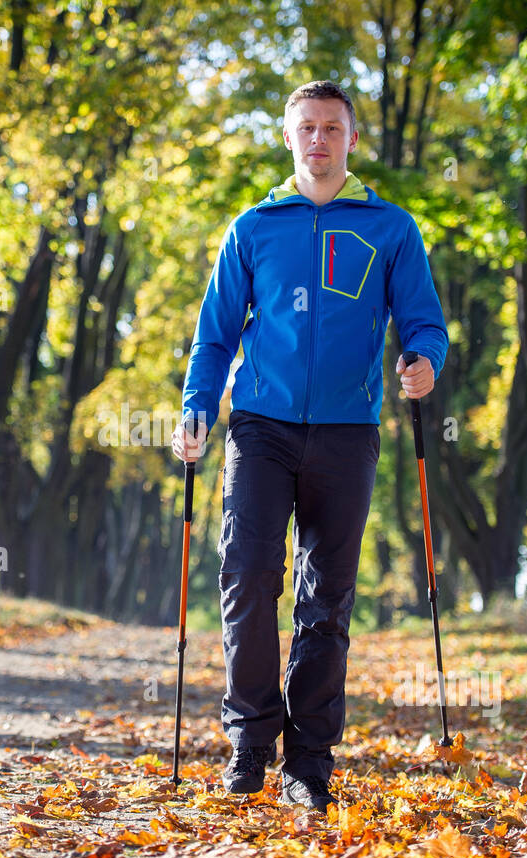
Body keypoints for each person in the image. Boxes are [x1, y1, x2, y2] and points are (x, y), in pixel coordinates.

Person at [172, 79, 449, 812]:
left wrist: (424, 361)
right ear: (289, 137)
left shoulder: (391, 227)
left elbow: (425, 322)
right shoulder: (254, 227)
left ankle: (310, 760)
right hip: (259, 425)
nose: (320, 140)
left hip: (347, 431)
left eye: (332, 127)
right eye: (308, 128)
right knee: (247, 576)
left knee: (325, 598)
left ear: (352, 139)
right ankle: (252, 740)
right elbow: (216, 334)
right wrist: (197, 407)